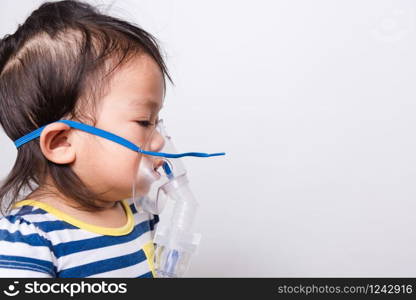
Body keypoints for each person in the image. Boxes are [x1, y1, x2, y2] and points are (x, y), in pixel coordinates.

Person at [0, 0, 172, 278]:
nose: (160, 141)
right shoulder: (27, 245)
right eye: (144, 122)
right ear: (61, 142)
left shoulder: (141, 217)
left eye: (156, 122)